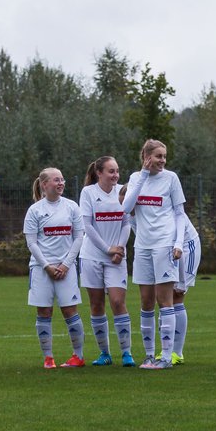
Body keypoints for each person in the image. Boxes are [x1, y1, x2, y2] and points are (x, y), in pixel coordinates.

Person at [120, 138, 190, 370]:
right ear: (146, 157)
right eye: (158, 156)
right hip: (142, 246)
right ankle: (149, 355)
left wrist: (178, 242)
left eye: (164, 156)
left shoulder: (171, 178)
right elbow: (126, 208)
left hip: (164, 245)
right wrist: (142, 175)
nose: (163, 161)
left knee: (165, 301)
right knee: (146, 302)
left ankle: (167, 356)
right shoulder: (134, 178)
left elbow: (180, 214)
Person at [24, 168, 87, 369]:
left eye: (62, 179)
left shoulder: (71, 207)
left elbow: (79, 237)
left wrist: (66, 264)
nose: (60, 183)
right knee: (44, 311)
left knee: (70, 311)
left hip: (66, 268)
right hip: (41, 269)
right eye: (56, 180)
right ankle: (48, 358)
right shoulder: (34, 210)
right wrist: (47, 266)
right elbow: (32, 243)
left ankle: (78, 356)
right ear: (44, 185)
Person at [78, 155, 135, 367]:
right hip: (92, 255)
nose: (116, 175)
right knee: (96, 304)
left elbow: (126, 223)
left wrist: (118, 249)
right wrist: (107, 249)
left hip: (117, 257)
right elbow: (88, 226)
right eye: (111, 171)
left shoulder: (123, 192)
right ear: (99, 173)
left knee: (118, 302)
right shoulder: (88, 193)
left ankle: (126, 353)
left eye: (117, 171)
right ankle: (105, 353)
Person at [170, 212, 201, 365]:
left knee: (175, 295)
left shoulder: (163, 206)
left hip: (186, 247)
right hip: (167, 248)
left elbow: (177, 242)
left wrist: (182, 281)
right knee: (163, 297)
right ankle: (167, 350)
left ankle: (176, 352)